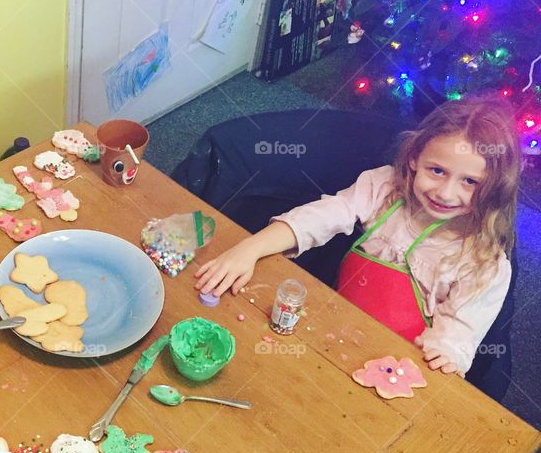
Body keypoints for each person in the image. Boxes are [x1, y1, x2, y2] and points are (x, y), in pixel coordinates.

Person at [195, 99, 519, 378]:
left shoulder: (484, 263)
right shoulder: (384, 187)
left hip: (398, 367)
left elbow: (455, 343)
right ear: (414, 158)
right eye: (437, 171)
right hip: (333, 330)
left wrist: (445, 356)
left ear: (495, 187)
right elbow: (321, 216)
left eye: (470, 182)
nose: (446, 192)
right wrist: (249, 248)